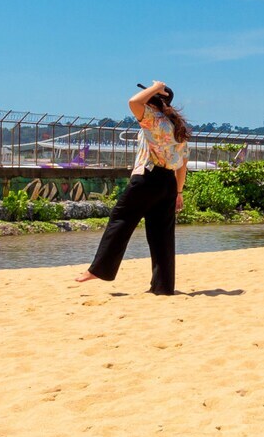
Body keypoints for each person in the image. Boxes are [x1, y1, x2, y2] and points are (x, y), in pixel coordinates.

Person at [78, 82, 189, 294]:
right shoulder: (177, 126)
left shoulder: (152, 119)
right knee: (162, 236)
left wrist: (156, 86)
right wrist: (179, 192)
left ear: (154, 100)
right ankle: (163, 287)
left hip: (147, 178)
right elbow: (183, 164)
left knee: (120, 219)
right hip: (168, 183)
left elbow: (133, 101)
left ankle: (99, 270)